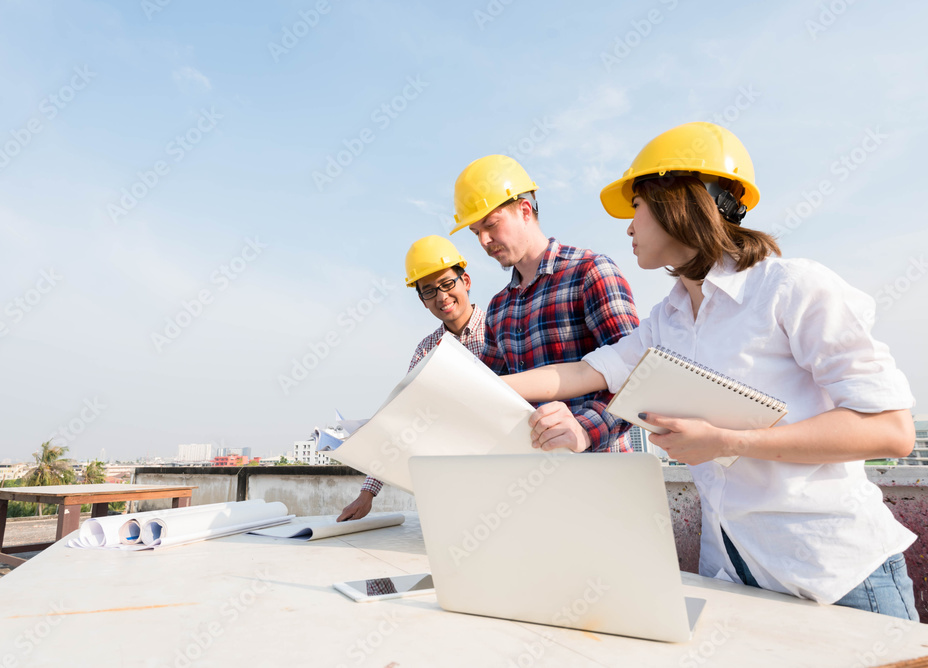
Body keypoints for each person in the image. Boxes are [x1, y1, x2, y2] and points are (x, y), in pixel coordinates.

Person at [503, 122, 918, 620]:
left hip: (834, 574)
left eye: (635, 206)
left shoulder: (791, 289)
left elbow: (891, 431)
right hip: (736, 575)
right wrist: (470, 383)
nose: (628, 227)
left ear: (678, 201)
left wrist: (728, 441)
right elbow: (583, 373)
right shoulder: (669, 318)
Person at [450, 154, 640, 452]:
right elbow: (489, 390)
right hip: (533, 476)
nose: (484, 241)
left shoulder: (590, 272)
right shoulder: (499, 307)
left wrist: (585, 429)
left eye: (491, 225)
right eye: (476, 232)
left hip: (602, 473)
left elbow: (637, 375)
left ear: (525, 210)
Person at [336, 235, 486, 521]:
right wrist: (367, 495)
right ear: (421, 300)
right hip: (448, 488)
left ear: (465, 281)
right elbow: (401, 422)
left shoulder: (501, 328)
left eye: (447, 284)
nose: (442, 297)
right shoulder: (426, 350)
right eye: (429, 291)